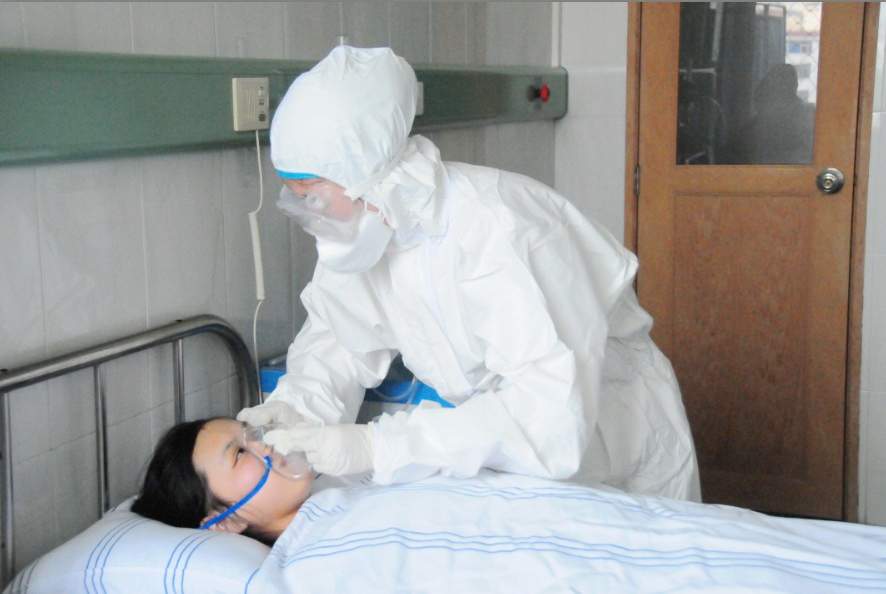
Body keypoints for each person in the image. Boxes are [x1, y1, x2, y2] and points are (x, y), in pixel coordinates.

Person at [238, 45, 701, 501]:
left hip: (616, 436)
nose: (307, 213)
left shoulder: (500, 230)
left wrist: (377, 446)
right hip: (517, 453)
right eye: (294, 198)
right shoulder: (364, 232)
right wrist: (296, 412)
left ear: (369, 179)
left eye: (312, 196)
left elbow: (549, 415)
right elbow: (337, 344)